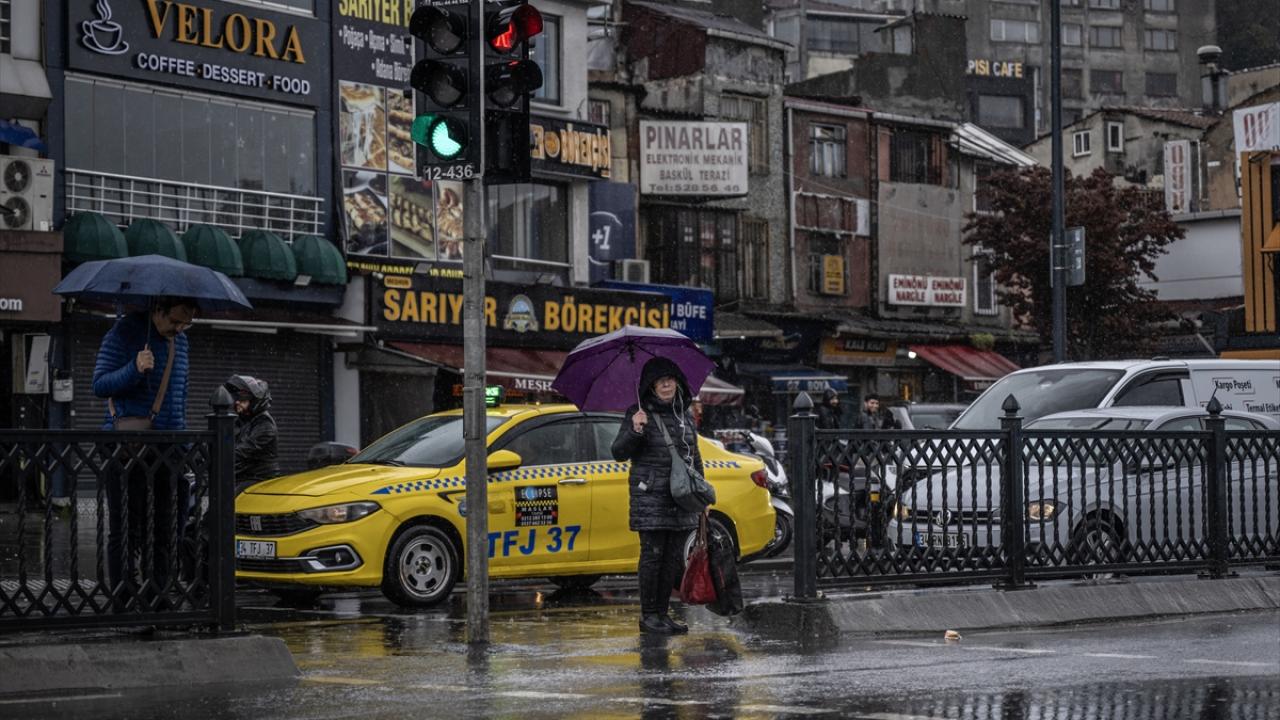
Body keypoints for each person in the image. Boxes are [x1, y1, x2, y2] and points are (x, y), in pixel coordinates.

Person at [92, 296, 196, 607]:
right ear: (157, 310)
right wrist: (135, 369)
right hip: (126, 446)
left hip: (168, 448)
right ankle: (124, 596)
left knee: (165, 526)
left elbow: (180, 396)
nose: (178, 328)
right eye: (174, 321)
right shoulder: (123, 333)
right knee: (126, 527)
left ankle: (158, 593)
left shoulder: (182, 343)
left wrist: (186, 447)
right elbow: (99, 385)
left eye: (186, 322)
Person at [612, 357, 704, 636]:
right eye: (659, 381)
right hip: (651, 496)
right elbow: (618, 452)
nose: (666, 384)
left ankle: (662, 615)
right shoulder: (637, 413)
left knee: (672, 560)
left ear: (678, 382)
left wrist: (702, 499)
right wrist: (635, 430)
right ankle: (649, 615)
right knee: (652, 558)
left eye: (670, 379)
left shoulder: (685, 415)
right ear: (651, 387)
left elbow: (695, 457)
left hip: (681, 499)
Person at [225, 375, 280, 495]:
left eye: (243, 400)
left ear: (255, 402)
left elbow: (243, 451)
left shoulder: (265, 424)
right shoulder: (240, 421)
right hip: (240, 476)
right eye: (236, 399)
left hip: (258, 478)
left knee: (228, 502)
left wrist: (220, 458)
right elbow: (225, 442)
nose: (237, 402)